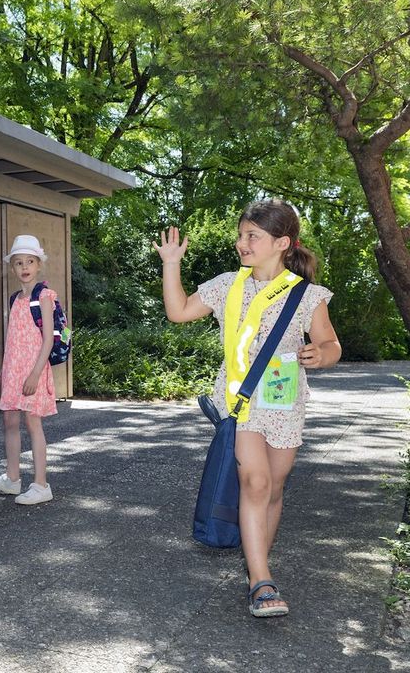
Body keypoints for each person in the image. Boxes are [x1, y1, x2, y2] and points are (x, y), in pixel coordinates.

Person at [153, 199, 340, 619]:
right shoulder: (226, 285)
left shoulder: (308, 296)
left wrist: (321, 355)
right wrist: (171, 264)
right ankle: (261, 580)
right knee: (255, 483)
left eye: (251, 236)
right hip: (240, 402)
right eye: (241, 235)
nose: (242, 243)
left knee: (274, 486)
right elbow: (178, 311)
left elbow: (331, 344)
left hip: (285, 401)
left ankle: (259, 560)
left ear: (281, 242)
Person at [0, 234, 58, 504]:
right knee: (9, 421)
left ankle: (41, 484)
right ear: (12, 268)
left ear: (38, 265)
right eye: (18, 263)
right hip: (14, 369)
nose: (24, 267)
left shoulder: (44, 296)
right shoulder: (15, 298)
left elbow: (48, 338)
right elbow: (14, 338)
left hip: (33, 370)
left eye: (29, 261)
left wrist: (36, 374)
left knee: (32, 422)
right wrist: (6, 369)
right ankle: (12, 479)